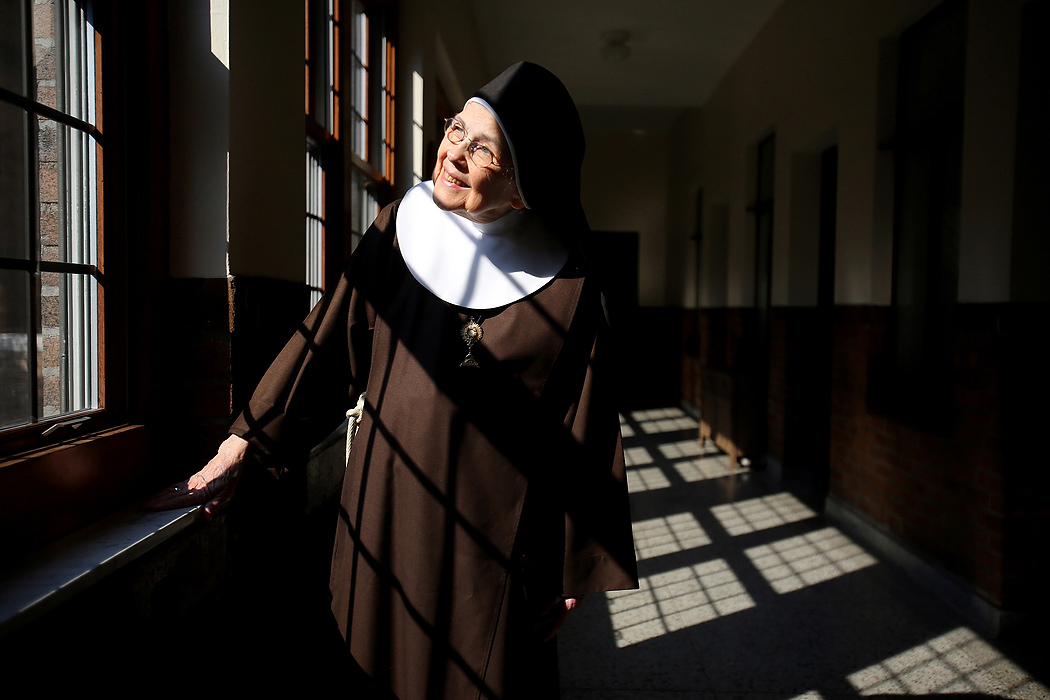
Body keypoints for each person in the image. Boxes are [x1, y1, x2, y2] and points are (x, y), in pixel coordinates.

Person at [148, 61, 638, 699]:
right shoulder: (394, 233)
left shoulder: (570, 288)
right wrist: (240, 446)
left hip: (499, 550)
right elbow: (323, 350)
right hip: (385, 519)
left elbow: (588, 429)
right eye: (455, 129)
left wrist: (575, 570)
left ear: (525, 188)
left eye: (482, 148)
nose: (453, 154)